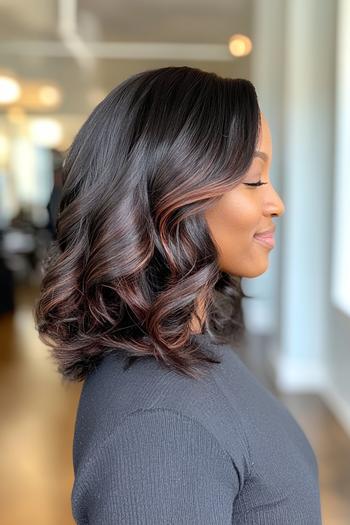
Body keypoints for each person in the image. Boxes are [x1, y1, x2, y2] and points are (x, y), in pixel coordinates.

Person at [34, 66, 323, 524]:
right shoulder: (160, 428)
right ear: (170, 192)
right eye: (253, 177)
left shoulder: (187, 350)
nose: (276, 202)